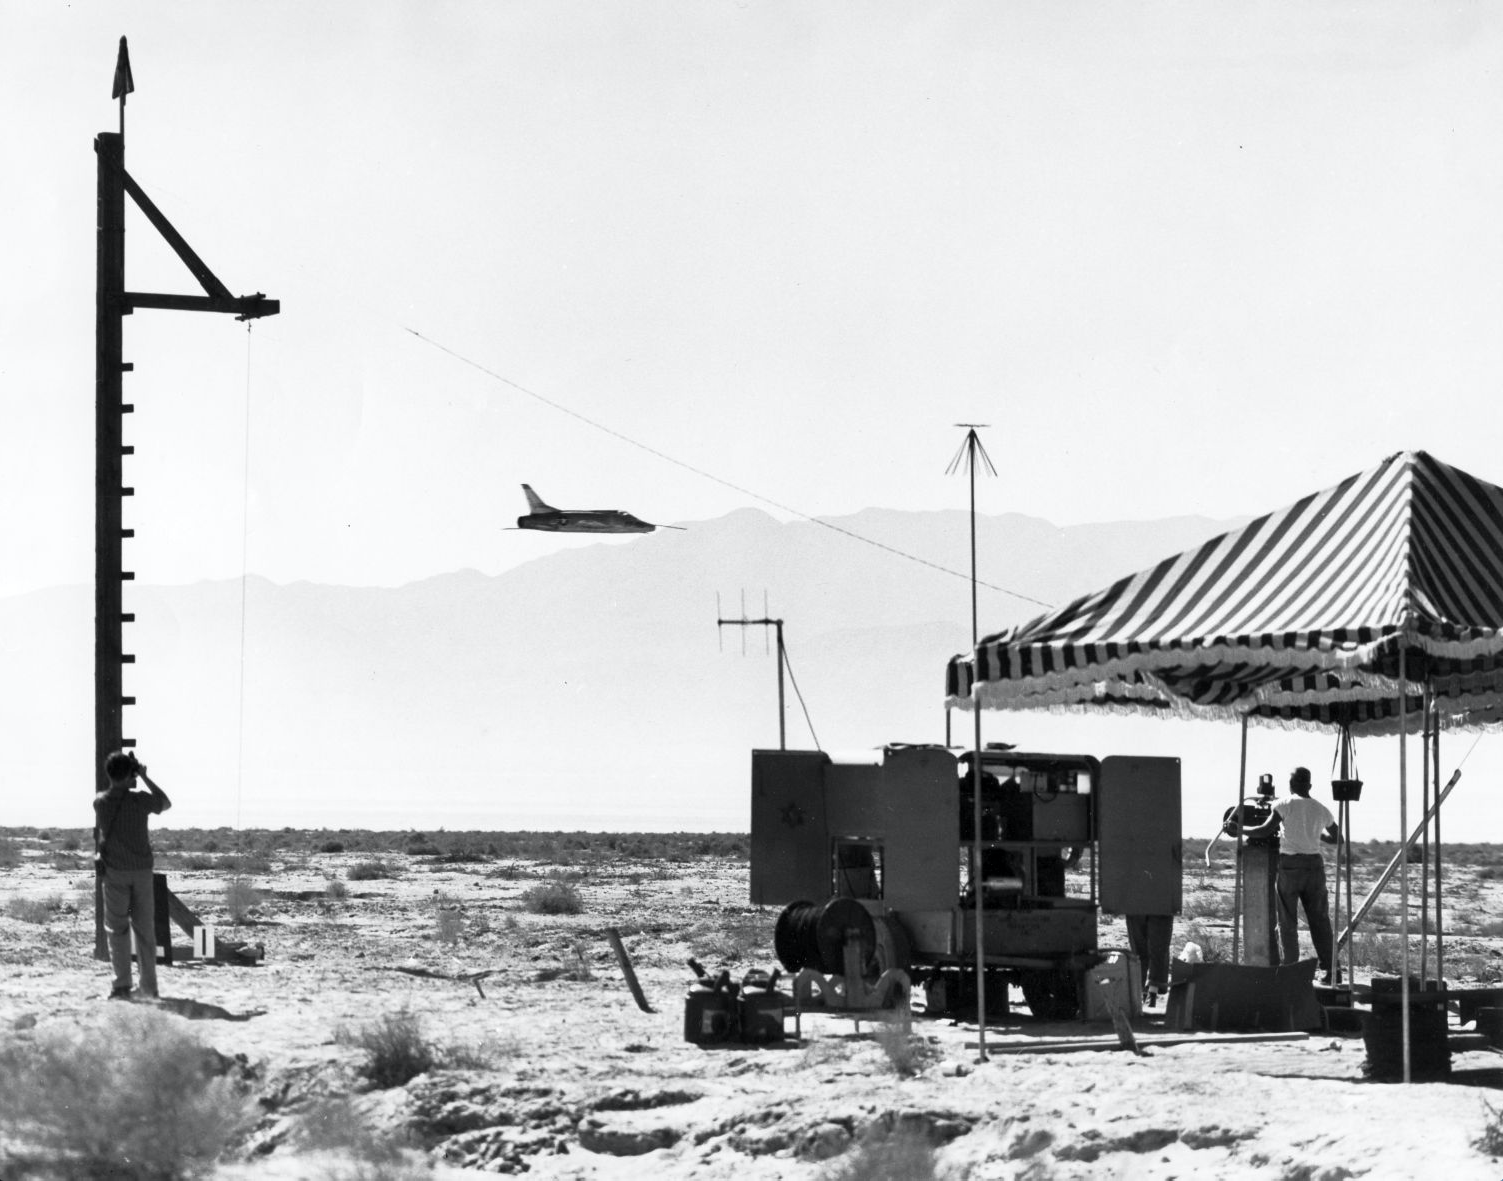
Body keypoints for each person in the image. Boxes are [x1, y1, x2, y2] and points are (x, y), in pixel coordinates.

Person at [1236, 766, 1341, 982]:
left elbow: (1264, 830)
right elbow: (1339, 838)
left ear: (1291, 785)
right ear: (1310, 785)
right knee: (1320, 920)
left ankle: (1291, 971)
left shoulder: (1284, 804)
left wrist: (1239, 830)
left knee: (1287, 920)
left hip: (1290, 866)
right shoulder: (1321, 809)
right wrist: (1313, 836)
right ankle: (1332, 971)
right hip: (1314, 867)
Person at [94, 749, 172, 1000]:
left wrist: (130, 773)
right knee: (145, 931)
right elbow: (164, 802)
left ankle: (121, 986)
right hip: (141, 873)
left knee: (117, 930)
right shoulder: (139, 801)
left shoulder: (101, 802)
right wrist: (144, 776)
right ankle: (148, 987)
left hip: (115, 873)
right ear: (130, 774)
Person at [1124, 913, 1174, 1006]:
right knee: (1158, 947)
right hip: (1160, 904)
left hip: (1135, 904)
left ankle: (1144, 992)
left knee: (1141, 950)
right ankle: (1151, 992)